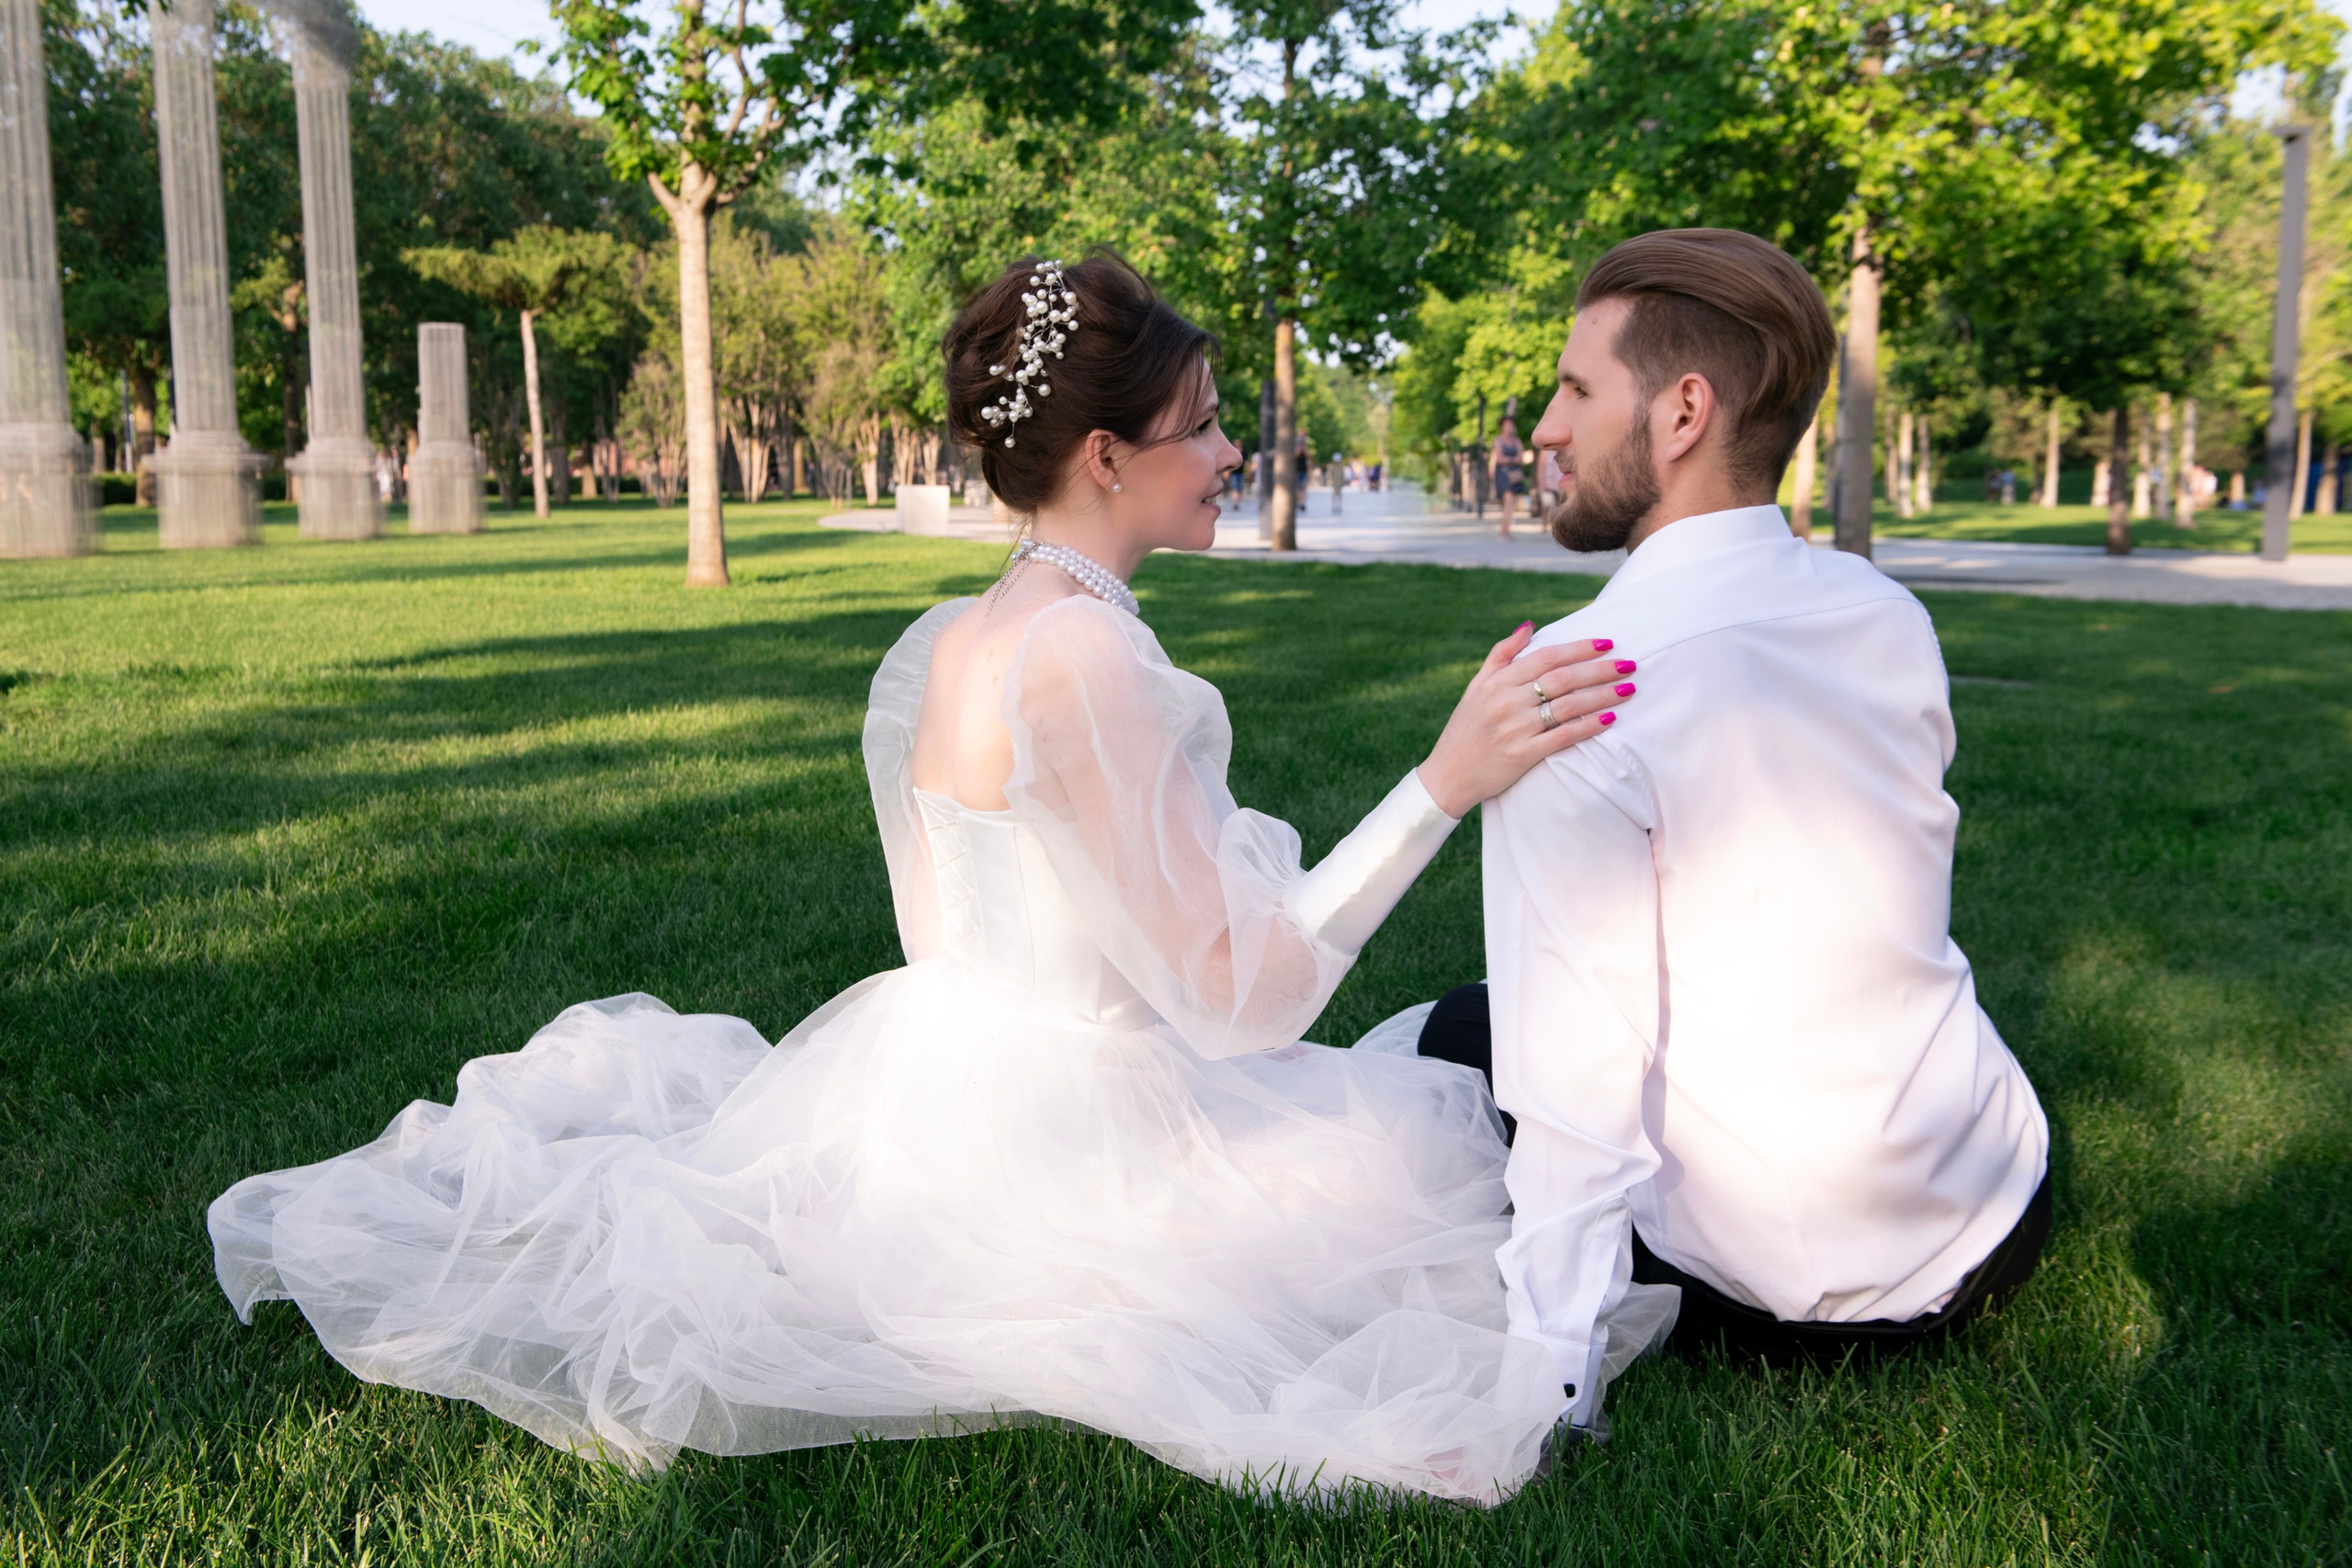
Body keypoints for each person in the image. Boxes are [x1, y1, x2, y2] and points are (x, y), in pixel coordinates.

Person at [207, 252, 1666, 1507]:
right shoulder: (1091, 656)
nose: (1231, 455)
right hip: (1078, 1138)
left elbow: (957, 931)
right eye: (1206, 427)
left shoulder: (952, 637)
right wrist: (1440, 784)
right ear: (1106, 455)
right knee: (1431, 1210)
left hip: (916, 1096)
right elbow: (1245, 1002)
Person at [1408, 230, 2050, 1435]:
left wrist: (1546, 1385)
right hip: (1996, 1208)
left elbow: (1573, 1092)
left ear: (1683, 410)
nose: (1544, 427)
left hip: (1787, 1291)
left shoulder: (1577, 683)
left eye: (1578, 388)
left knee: (1439, 1039)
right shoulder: (1885, 611)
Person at [1490, 417, 1528, 539]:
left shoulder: (1517, 441)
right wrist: (1513, 460)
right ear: (1502, 426)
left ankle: (1506, 529)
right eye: (1507, 425)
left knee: (1511, 503)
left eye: (1511, 425)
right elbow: (1500, 458)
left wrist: (1510, 460)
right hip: (1503, 474)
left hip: (1515, 474)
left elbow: (1521, 457)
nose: (1509, 427)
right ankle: (1503, 531)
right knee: (1508, 500)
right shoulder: (1498, 441)